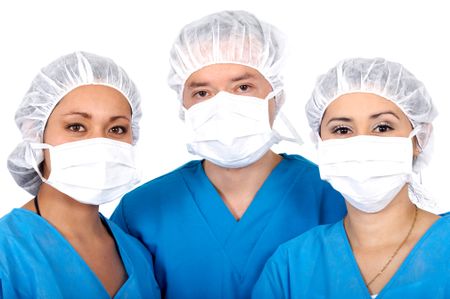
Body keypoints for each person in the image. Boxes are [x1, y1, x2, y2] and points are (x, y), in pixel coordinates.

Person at [111, 10, 346, 299]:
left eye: (242, 87)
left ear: (277, 96)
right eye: (202, 93)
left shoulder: (335, 197)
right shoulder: (142, 210)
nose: (223, 105)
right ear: (183, 105)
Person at [252, 57, 450, 298]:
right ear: (320, 143)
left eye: (383, 127)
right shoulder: (291, 266)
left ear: (419, 139)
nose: (361, 143)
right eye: (342, 130)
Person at [1, 51, 160, 298]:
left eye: (117, 129)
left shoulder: (137, 254)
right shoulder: (6, 253)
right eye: (76, 127)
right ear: (36, 134)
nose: (100, 142)